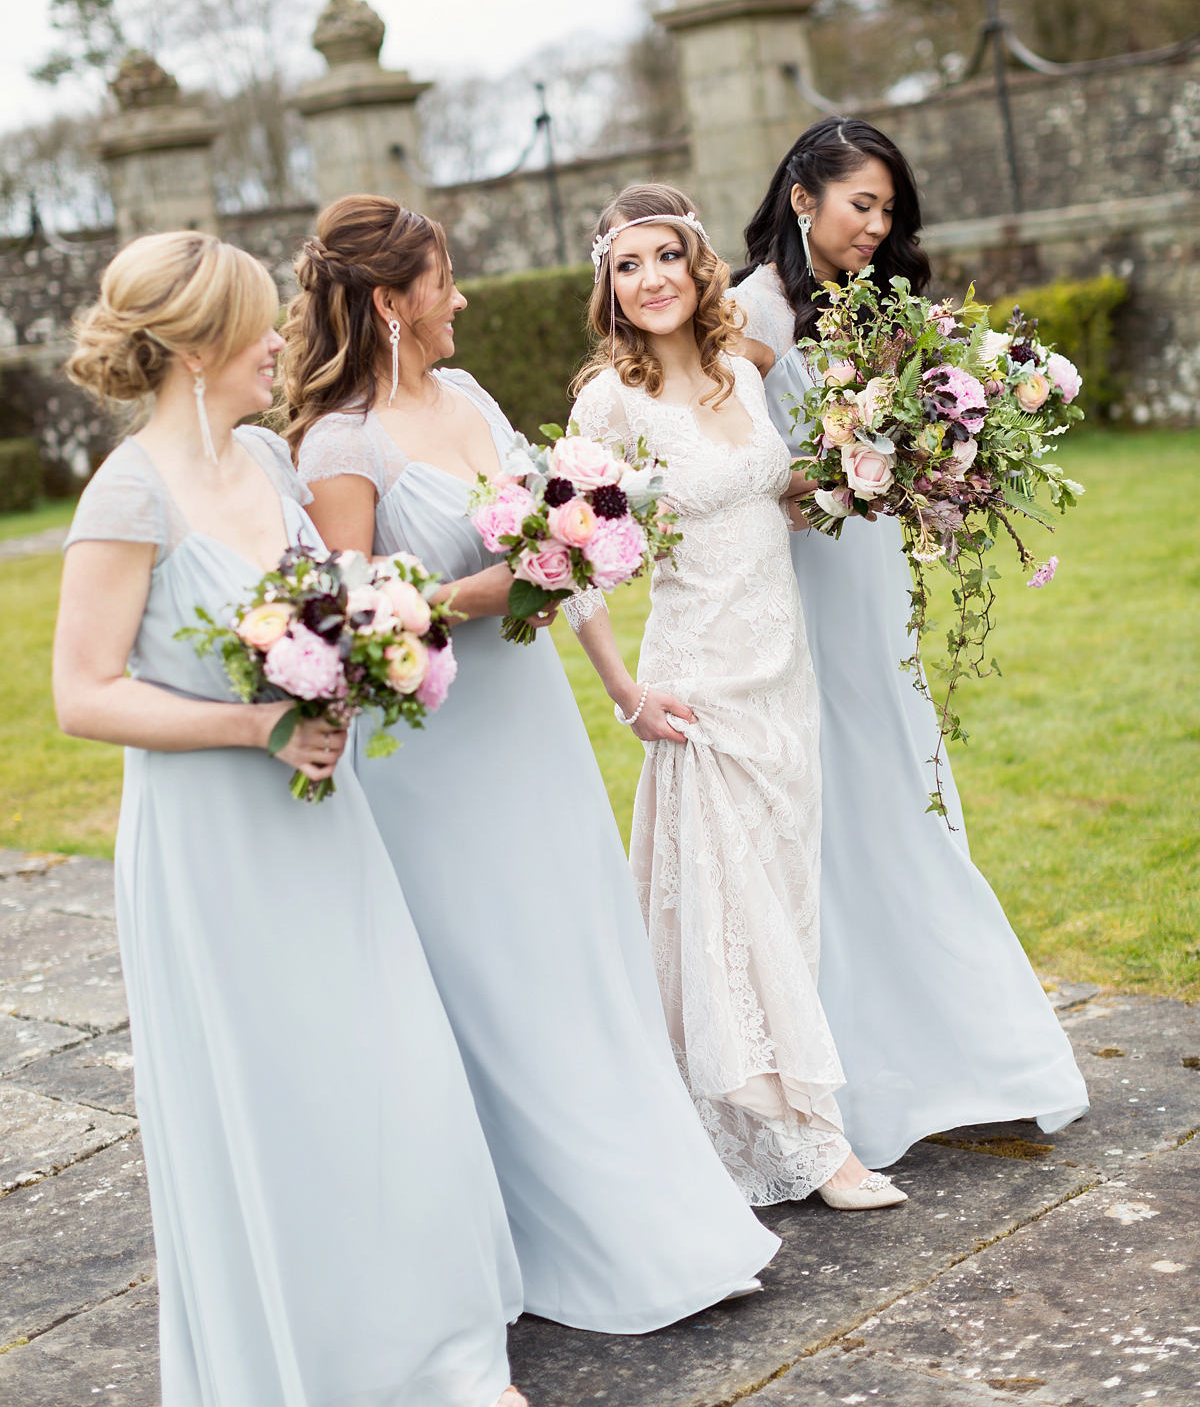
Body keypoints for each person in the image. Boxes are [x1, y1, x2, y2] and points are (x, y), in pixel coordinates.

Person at [282, 194, 780, 1336]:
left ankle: (663, 1217)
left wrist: (618, 685)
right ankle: (565, 1241)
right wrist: (486, 591)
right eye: (442, 282)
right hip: (437, 758)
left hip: (533, 724)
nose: (458, 299)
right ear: (386, 304)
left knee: (585, 955)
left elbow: (564, 532)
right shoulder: (339, 446)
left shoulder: (464, 394)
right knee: (503, 984)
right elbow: (352, 621)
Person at [53, 230, 527, 1407]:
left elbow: (337, 597)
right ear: (201, 343)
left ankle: (443, 1354)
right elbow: (81, 695)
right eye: (260, 324)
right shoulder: (128, 491)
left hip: (326, 818)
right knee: (281, 1097)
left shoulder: (267, 459)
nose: (281, 341)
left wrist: (373, 645)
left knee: (389, 1072)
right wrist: (253, 727)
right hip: (216, 845)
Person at [729, 115, 1089, 1168]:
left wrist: (937, 470)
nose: (878, 228)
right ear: (803, 197)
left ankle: (963, 1048)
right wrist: (836, 471)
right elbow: (742, 475)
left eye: (889, 211)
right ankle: (854, 1066)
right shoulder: (751, 315)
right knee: (840, 797)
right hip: (799, 592)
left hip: (873, 581)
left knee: (904, 780)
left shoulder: (878, 306)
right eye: (861, 206)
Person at [566, 182, 907, 1213]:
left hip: (781, 675)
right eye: (628, 266)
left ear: (697, 264)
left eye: (665, 257)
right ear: (609, 287)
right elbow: (568, 560)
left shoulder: (736, 370)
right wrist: (627, 690)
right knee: (732, 907)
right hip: (697, 682)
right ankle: (814, 1146)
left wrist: (876, 465)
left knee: (781, 900)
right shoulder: (607, 404)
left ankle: (722, 1127)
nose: (651, 279)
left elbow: (775, 496)